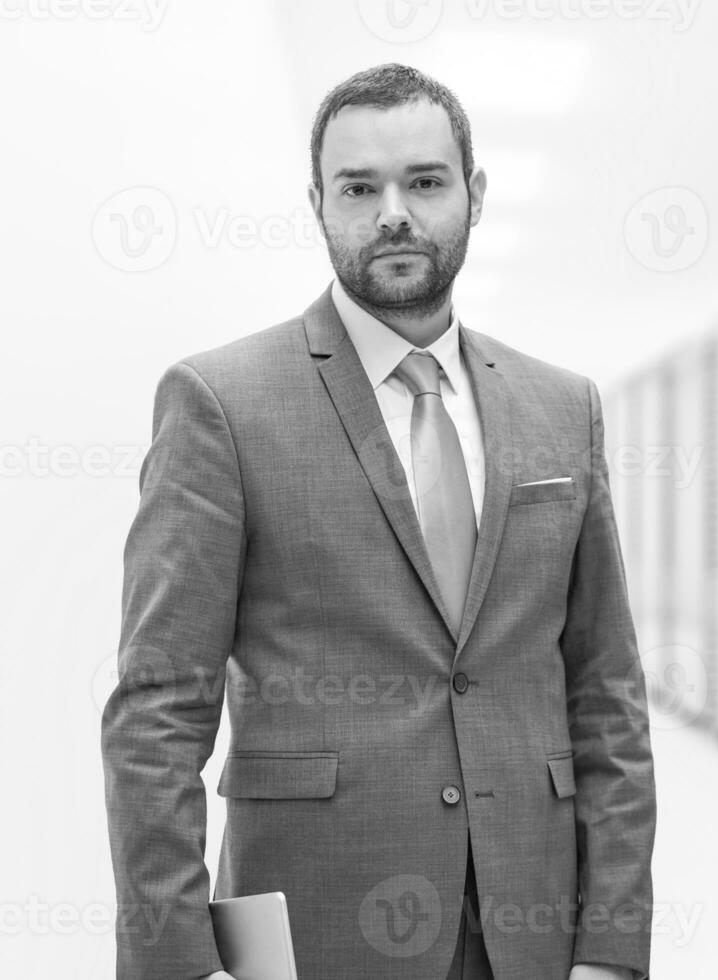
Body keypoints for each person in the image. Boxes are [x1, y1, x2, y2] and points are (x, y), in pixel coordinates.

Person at [100, 63, 655, 980]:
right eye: (359, 187)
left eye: (425, 182)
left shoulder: (563, 408)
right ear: (318, 203)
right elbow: (159, 708)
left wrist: (613, 947)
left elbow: (607, 695)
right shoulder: (222, 404)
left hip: (530, 924)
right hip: (314, 919)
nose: (393, 211)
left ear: (473, 196)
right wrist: (179, 964)